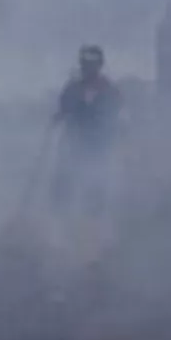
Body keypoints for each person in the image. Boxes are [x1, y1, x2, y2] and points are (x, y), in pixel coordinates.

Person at [50, 44, 124, 218]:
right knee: (64, 185)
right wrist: (60, 116)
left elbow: (116, 112)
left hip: (98, 147)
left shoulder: (109, 90)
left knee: (96, 188)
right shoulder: (72, 88)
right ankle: (60, 220)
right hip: (72, 145)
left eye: (92, 64)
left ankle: (92, 225)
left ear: (99, 65)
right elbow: (64, 108)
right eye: (85, 64)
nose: (88, 68)